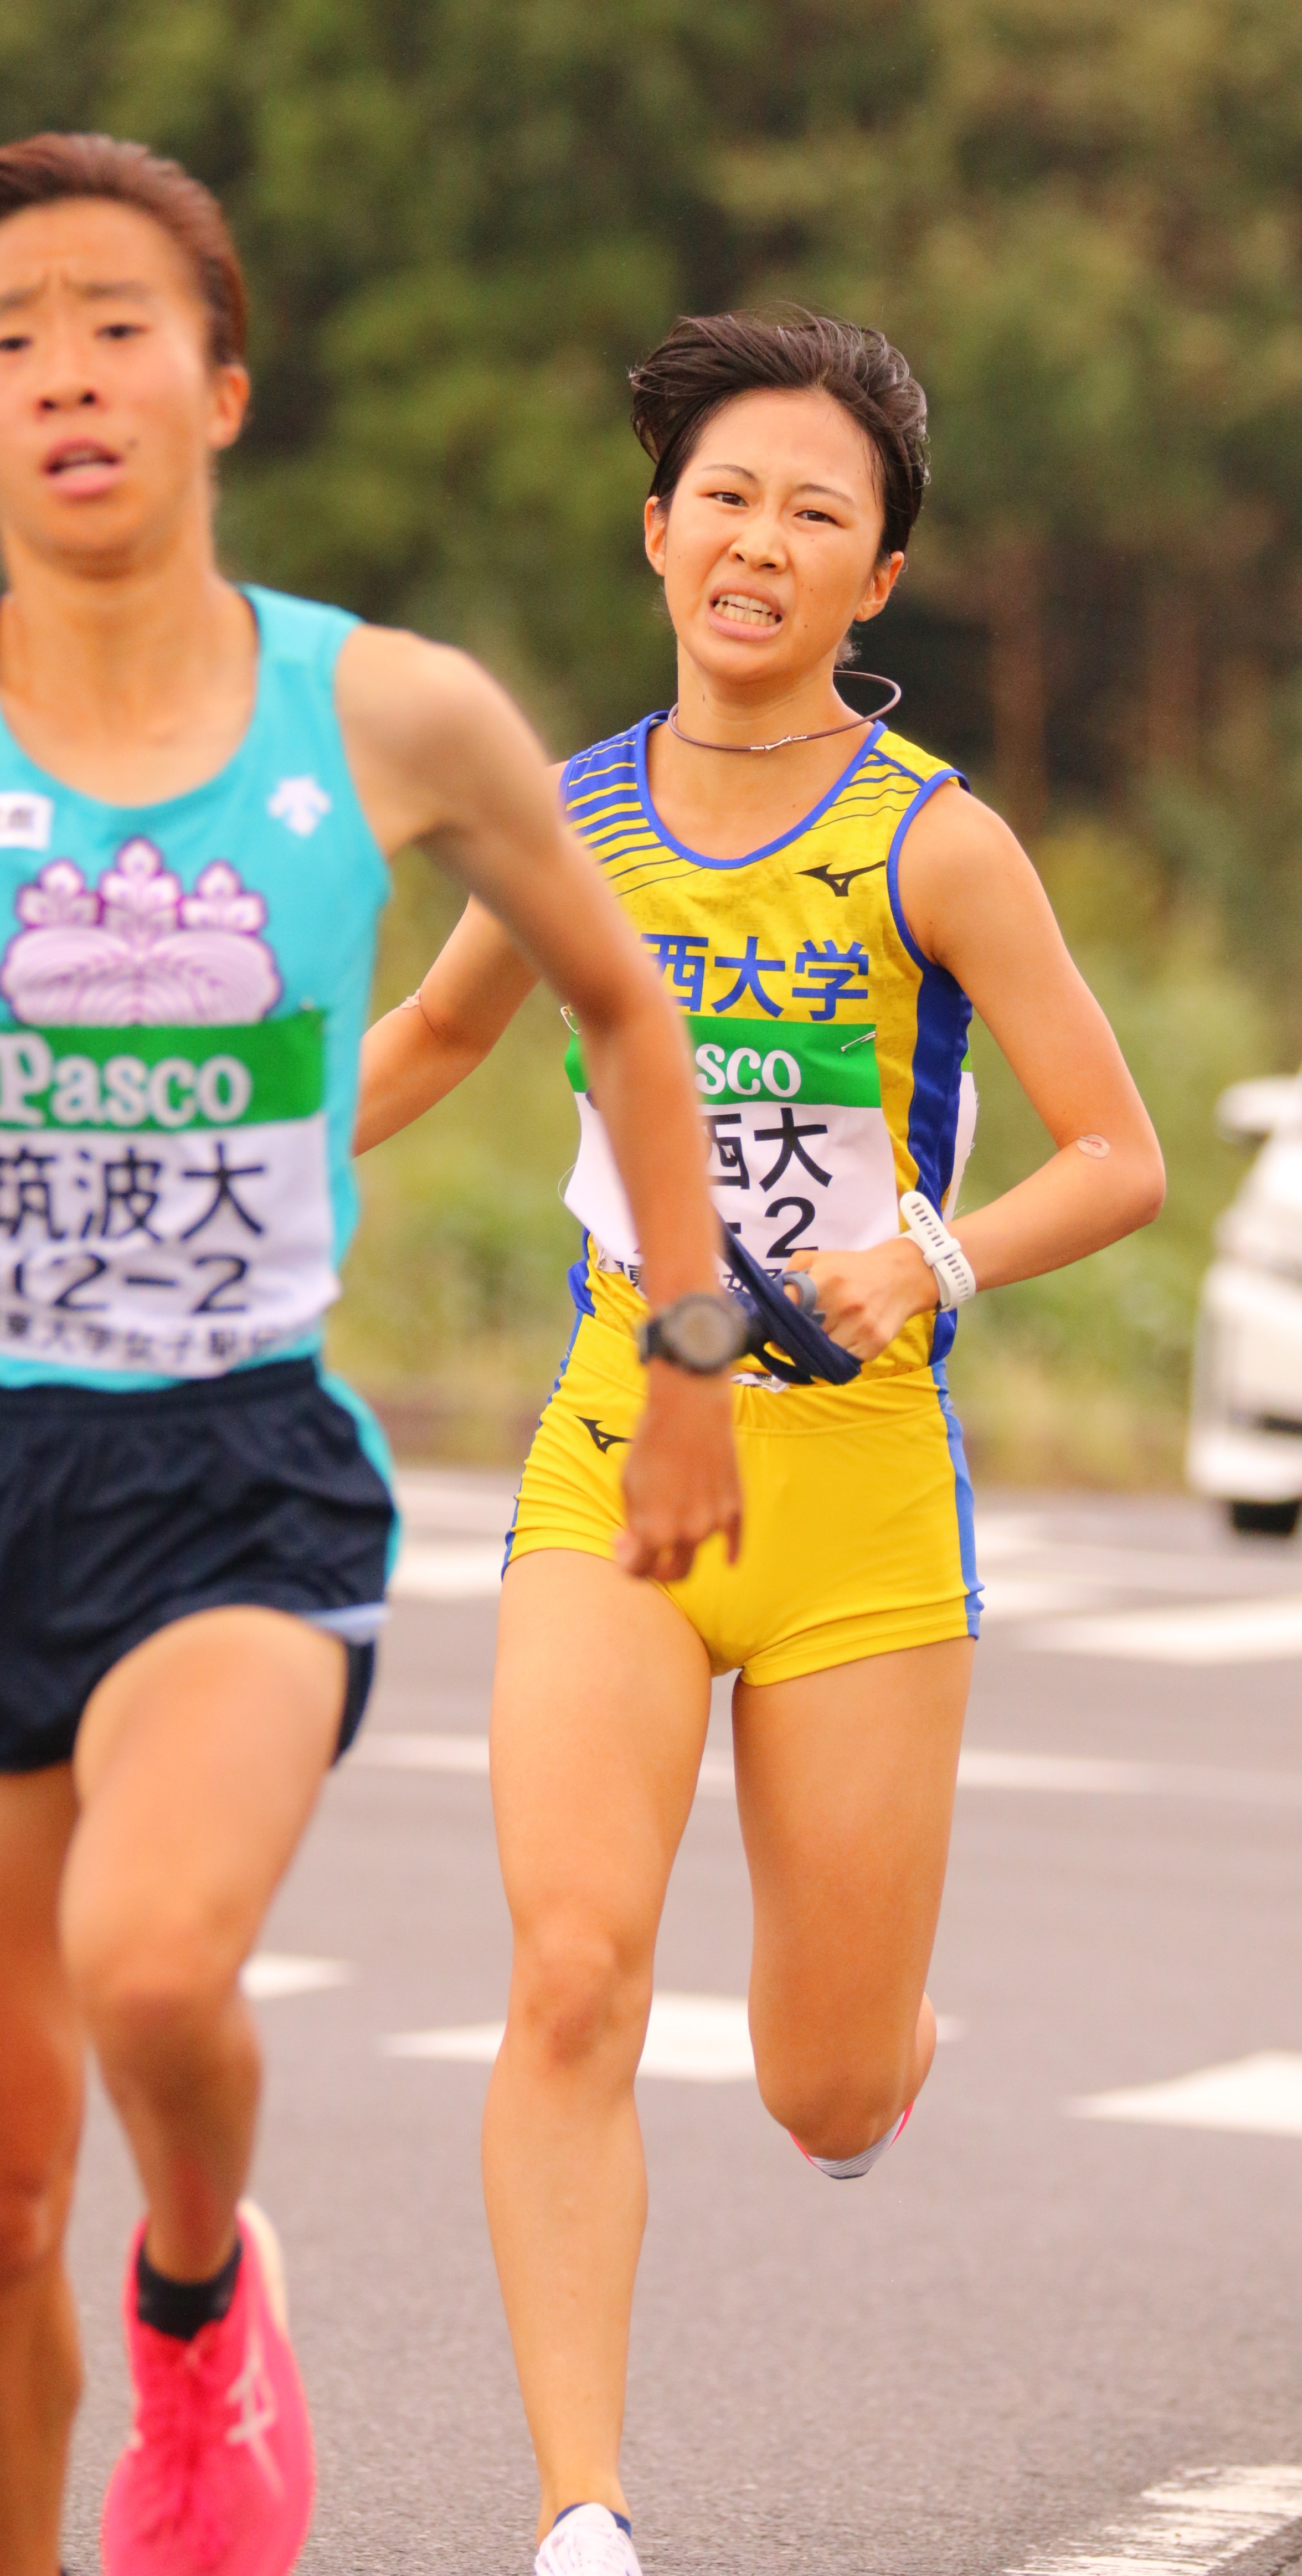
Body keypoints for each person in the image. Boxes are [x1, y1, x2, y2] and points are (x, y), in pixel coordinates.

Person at [357, 308, 1166, 2576]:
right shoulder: (569, 818)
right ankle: (582, 2509)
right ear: (653, 533)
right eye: (724, 495)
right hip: (619, 1444)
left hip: (861, 1489)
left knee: (812, 2087)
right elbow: (428, 1033)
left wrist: (941, 1251)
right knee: (571, 1967)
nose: (759, 540)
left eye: (818, 510)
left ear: (876, 578)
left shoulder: (938, 848)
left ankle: (884, 2035)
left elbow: (1115, 1156)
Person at [0, 135, 740, 2576]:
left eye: (109, 323)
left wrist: (697, 1349)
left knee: (151, 1959)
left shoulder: (394, 710)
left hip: (228, 1474)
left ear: (221, 379)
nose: (59, 378)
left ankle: (202, 2292)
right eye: (5, 345)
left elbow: (625, 1010)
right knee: (1, 2193)